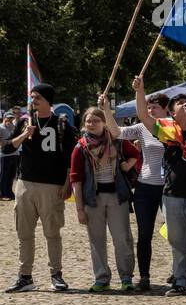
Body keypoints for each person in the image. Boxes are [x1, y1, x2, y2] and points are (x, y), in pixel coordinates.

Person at [132, 76, 186, 296]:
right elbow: (144, 116)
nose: (185, 105)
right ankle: (181, 282)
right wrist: (140, 91)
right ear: (173, 113)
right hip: (172, 196)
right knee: (178, 244)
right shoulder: (166, 131)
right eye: (180, 104)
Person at [4, 81, 75, 293]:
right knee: (24, 233)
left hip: (52, 186)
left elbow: (69, 158)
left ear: (48, 101)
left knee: (52, 233)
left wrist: (67, 183)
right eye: (32, 98)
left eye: (37, 98)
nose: (33, 101)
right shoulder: (25, 122)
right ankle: (25, 277)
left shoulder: (61, 124)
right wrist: (25, 134)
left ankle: (56, 275)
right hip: (25, 183)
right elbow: (8, 147)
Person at [102, 90, 167, 292]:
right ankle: (144, 276)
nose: (149, 111)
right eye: (148, 107)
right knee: (144, 234)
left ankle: (180, 274)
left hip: (169, 188)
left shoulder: (173, 127)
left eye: (154, 107)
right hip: (145, 186)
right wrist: (106, 110)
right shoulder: (141, 128)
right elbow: (117, 132)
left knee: (176, 233)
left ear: (166, 109)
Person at [70, 106, 140, 292]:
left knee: (122, 238)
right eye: (88, 121)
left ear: (104, 122)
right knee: (96, 240)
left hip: (118, 197)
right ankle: (102, 278)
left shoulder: (117, 141)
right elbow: (76, 180)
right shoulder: (80, 147)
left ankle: (126, 278)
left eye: (95, 121)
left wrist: (127, 165)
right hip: (93, 199)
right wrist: (79, 209)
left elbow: (135, 154)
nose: (91, 124)